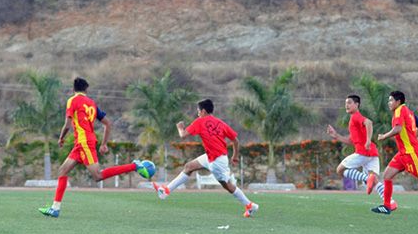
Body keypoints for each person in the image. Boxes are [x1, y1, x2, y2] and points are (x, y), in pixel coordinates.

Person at [38, 77, 149, 218]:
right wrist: (103, 143)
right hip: (81, 143)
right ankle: (55, 208)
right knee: (62, 171)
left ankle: (134, 166)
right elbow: (107, 123)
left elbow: (67, 124)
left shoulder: (72, 101)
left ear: (73, 89)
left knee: (98, 176)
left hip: (84, 142)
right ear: (86, 90)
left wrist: (61, 138)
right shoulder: (91, 103)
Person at [152, 99, 259, 218]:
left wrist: (180, 127)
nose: (197, 113)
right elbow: (235, 140)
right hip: (211, 156)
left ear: (203, 111)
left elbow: (182, 135)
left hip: (217, 161)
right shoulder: (220, 123)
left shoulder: (200, 121)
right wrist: (234, 156)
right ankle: (165, 191)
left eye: (198, 111)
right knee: (189, 166)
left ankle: (250, 205)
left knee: (228, 186)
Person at [327, 95, 397, 209]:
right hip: (372, 153)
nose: (347, 105)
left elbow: (368, 122)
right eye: (346, 103)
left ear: (357, 104)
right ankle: (391, 203)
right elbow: (351, 141)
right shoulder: (353, 120)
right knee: (374, 181)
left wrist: (368, 140)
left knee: (340, 170)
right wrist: (336, 136)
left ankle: (366, 178)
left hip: (363, 152)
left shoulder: (356, 117)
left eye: (349, 103)